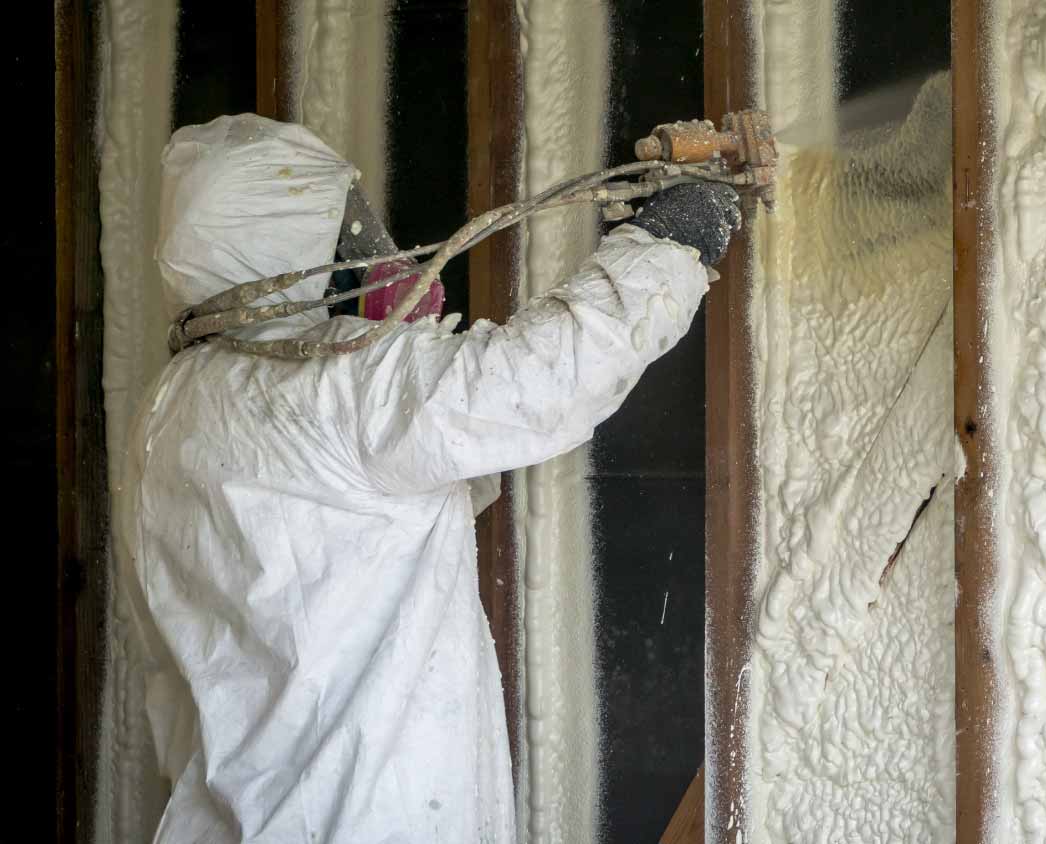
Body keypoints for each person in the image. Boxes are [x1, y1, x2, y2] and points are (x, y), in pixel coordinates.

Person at [117, 114, 741, 843]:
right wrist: (671, 242)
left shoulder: (169, 407)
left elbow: (395, 495)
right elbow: (536, 383)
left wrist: (397, 330)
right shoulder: (338, 383)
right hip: (365, 820)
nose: (357, 248)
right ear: (288, 236)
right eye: (338, 228)